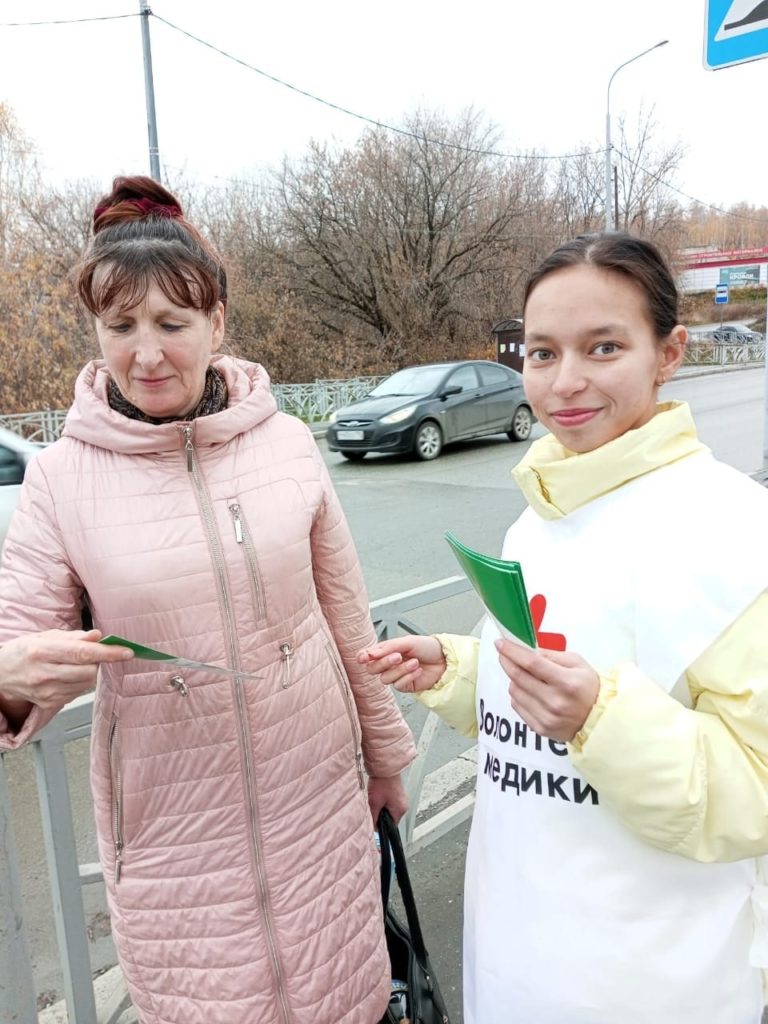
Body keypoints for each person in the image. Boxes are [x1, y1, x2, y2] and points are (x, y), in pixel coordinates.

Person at [0, 175, 415, 1024]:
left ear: (217, 322)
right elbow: (17, 648)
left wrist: (384, 757)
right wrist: (12, 675)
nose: (145, 353)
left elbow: (344, 612)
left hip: (320, 801)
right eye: (120, 327)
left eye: (170, 324)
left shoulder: (289, 443)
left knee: (343, 995)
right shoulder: (59, 477)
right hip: (172, 832)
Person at [359, 231, 768, 1024]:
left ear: (669, 352)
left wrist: (599, 721)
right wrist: (457, 667)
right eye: (542, 353)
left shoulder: (736, 531)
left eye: (604, 347)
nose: (566, 382)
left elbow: (756, 788)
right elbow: (560, 672)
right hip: (515, 952)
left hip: (654, 982)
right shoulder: (543, 509)